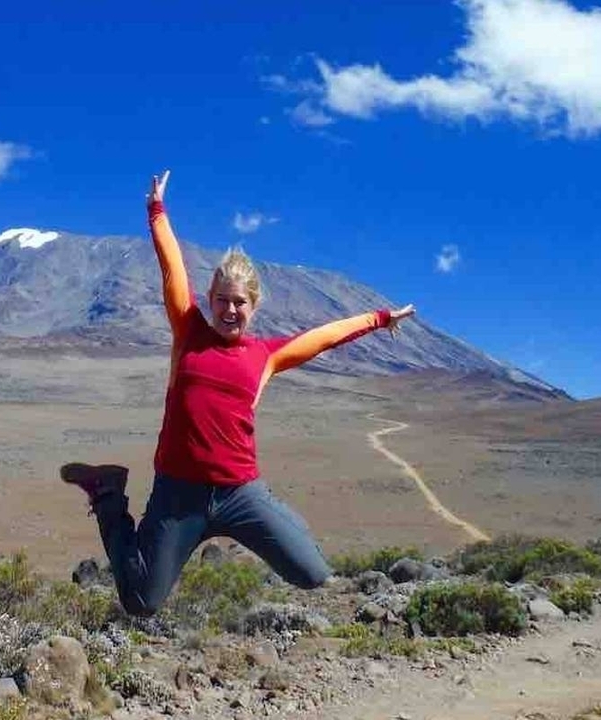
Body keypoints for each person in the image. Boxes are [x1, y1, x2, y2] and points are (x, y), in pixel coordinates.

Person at [61, 169, 416, 617]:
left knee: (312, 573)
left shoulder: (266, 355)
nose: (230, 310)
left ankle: (276, 520)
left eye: (239, 302)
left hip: (239, 493)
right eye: (222, 299)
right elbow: (172, 268)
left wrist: (380, 318)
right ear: (209, 299)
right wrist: (157, 212)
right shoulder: (188, 332)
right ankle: (108, 493)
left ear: (254, 306)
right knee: (140, 601)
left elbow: (325, 335)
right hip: (178, 496)